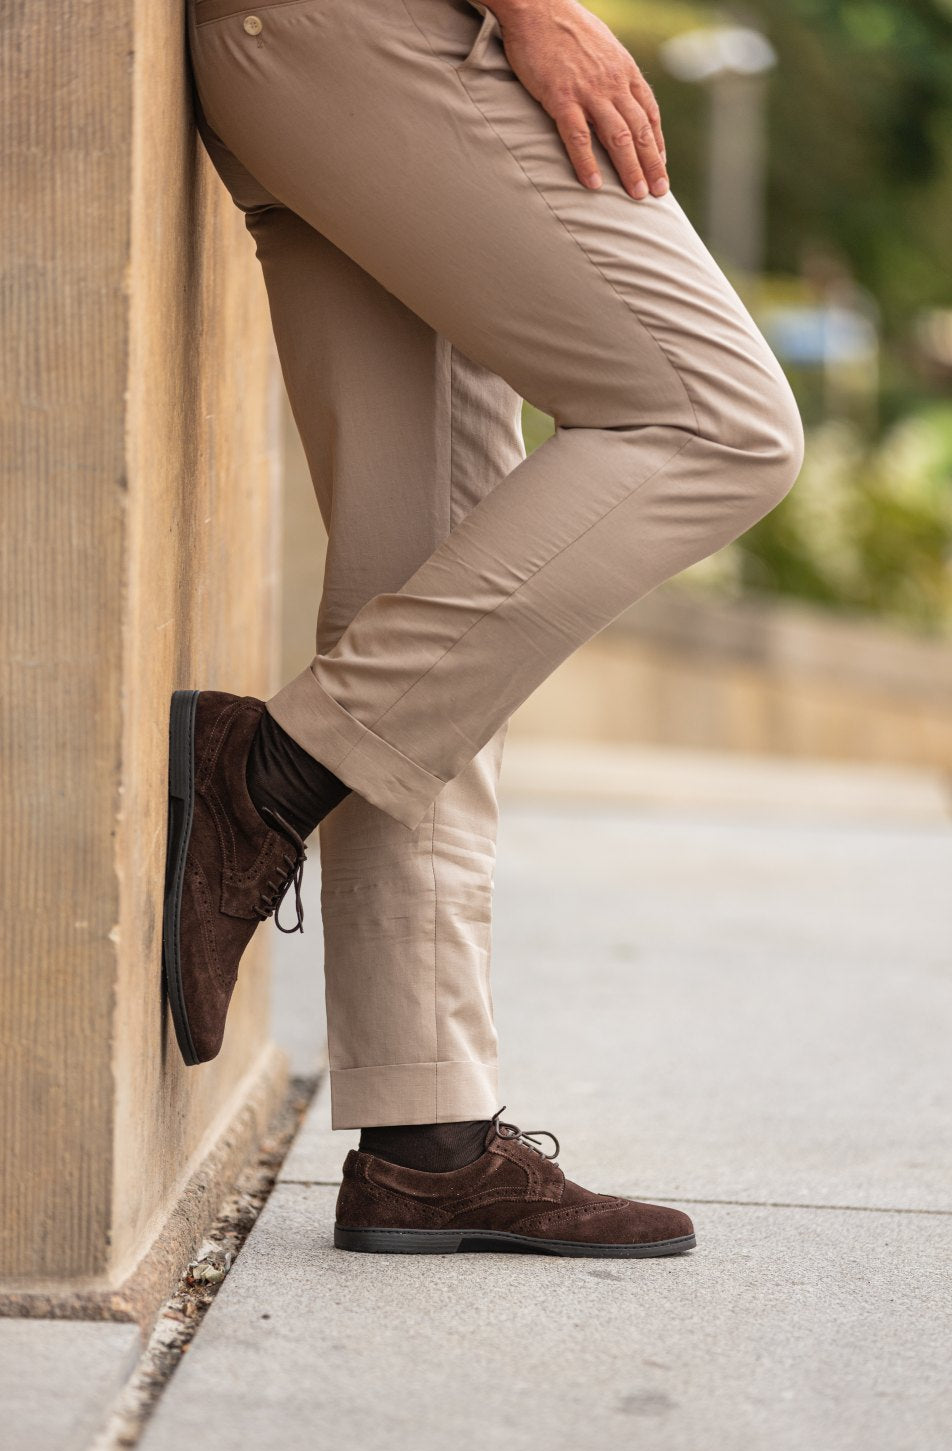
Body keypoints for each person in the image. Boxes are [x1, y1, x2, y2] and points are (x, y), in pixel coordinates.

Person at [164, 0, 804, 1258]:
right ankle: (269, 772)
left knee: (421, 558)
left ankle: (426, 1143)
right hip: (385, 28)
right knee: (721, 424)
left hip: (296, 52)